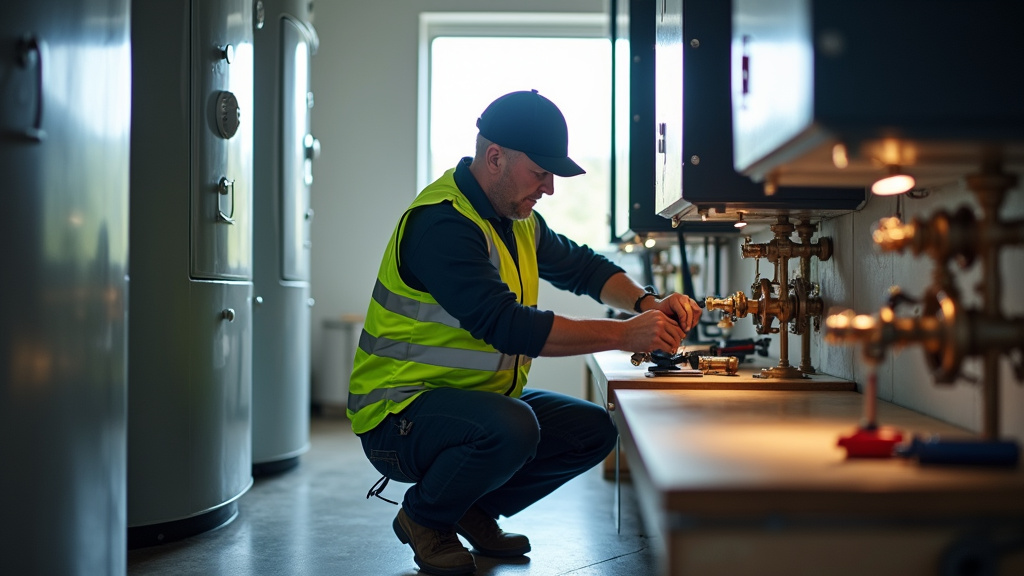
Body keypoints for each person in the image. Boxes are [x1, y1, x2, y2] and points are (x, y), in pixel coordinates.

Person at [347, 89, 701, 576]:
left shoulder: (516, 221)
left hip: (468, 402)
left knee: (593, 431)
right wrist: (625, 335)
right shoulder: (442, 225)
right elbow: (506, 326)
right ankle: (424, 517)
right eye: (541, 173)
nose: (549, 188)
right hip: (398, 414)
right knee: (514, 427)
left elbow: (583, 268)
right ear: (495, 158)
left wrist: (647, 302)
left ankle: (468, 508)